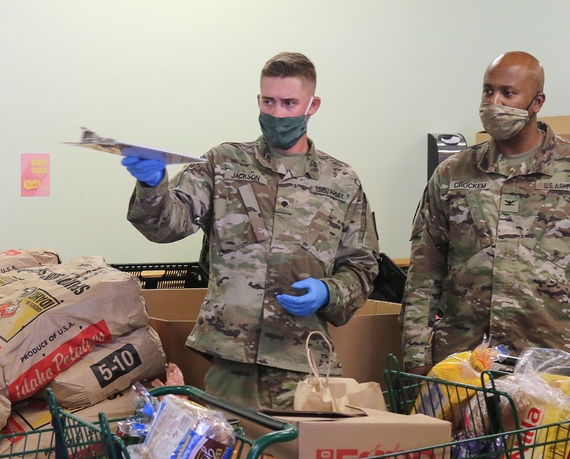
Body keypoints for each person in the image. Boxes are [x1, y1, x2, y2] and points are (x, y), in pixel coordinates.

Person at [123, 51, 380, 410]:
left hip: (304, 364)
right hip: (231, 361)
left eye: (290, 103)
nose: (277, 113)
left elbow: (362, 268)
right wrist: (153, 186)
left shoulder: (340, 181)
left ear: (312, 105)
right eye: (268, 101)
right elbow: (168, 226)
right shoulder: (223, 163)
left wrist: (329, 292)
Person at [401, 50, 570, 375]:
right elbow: (423, 275)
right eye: (488, 91)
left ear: (537, 101)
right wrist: (417, 360)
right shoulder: (452, 174)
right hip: (463, 369)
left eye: (508, 93)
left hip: (553, 372)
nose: (494, 102)